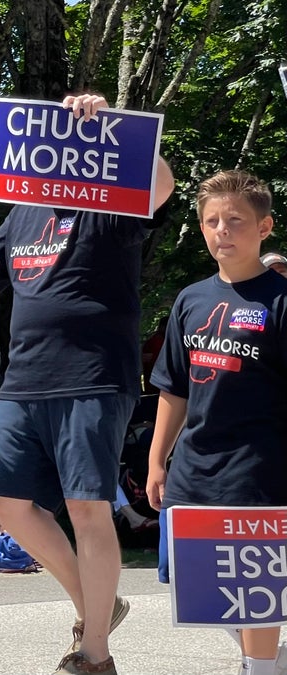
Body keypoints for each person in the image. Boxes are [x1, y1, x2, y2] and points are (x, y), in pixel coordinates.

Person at [0, 94, 174, 675]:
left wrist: (111, 129)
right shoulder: (22, 210)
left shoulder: (109, 198)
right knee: (5, 500)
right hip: (24, 380)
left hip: (94, 376)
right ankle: (98, 606)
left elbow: (163, 184)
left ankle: (93, 653)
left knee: (86, 506)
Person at [146, 170, 287, 675]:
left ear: (264, 226)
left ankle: (261, 666)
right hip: (193, 468)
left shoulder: (280, 299)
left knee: (257, 586)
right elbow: (174, 387)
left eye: (235, 220)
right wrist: (156, 459)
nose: (222, 230)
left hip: (259, 468)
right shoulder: (190, 299)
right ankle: (269, 656)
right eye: (212, 221)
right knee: (197, 587)